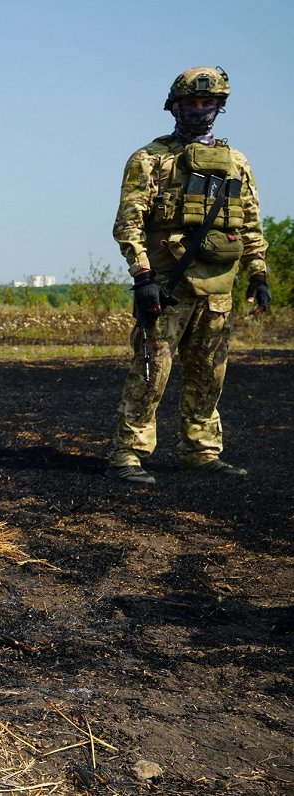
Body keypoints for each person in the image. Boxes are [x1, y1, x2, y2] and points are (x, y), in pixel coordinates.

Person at [106, 66, 270, 485]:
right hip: (167, 287)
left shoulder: (236, 162)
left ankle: (201, 450)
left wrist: (258, 274)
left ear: (219, 107)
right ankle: (128, 453)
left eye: (208, 103)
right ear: (174, 107)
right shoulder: (150, 159)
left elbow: (250, 222)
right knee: (151, 370)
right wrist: (143, 277)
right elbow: (128, 223)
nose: (200, 111)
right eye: (192, 103)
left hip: (218, 286)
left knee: (210, 372)